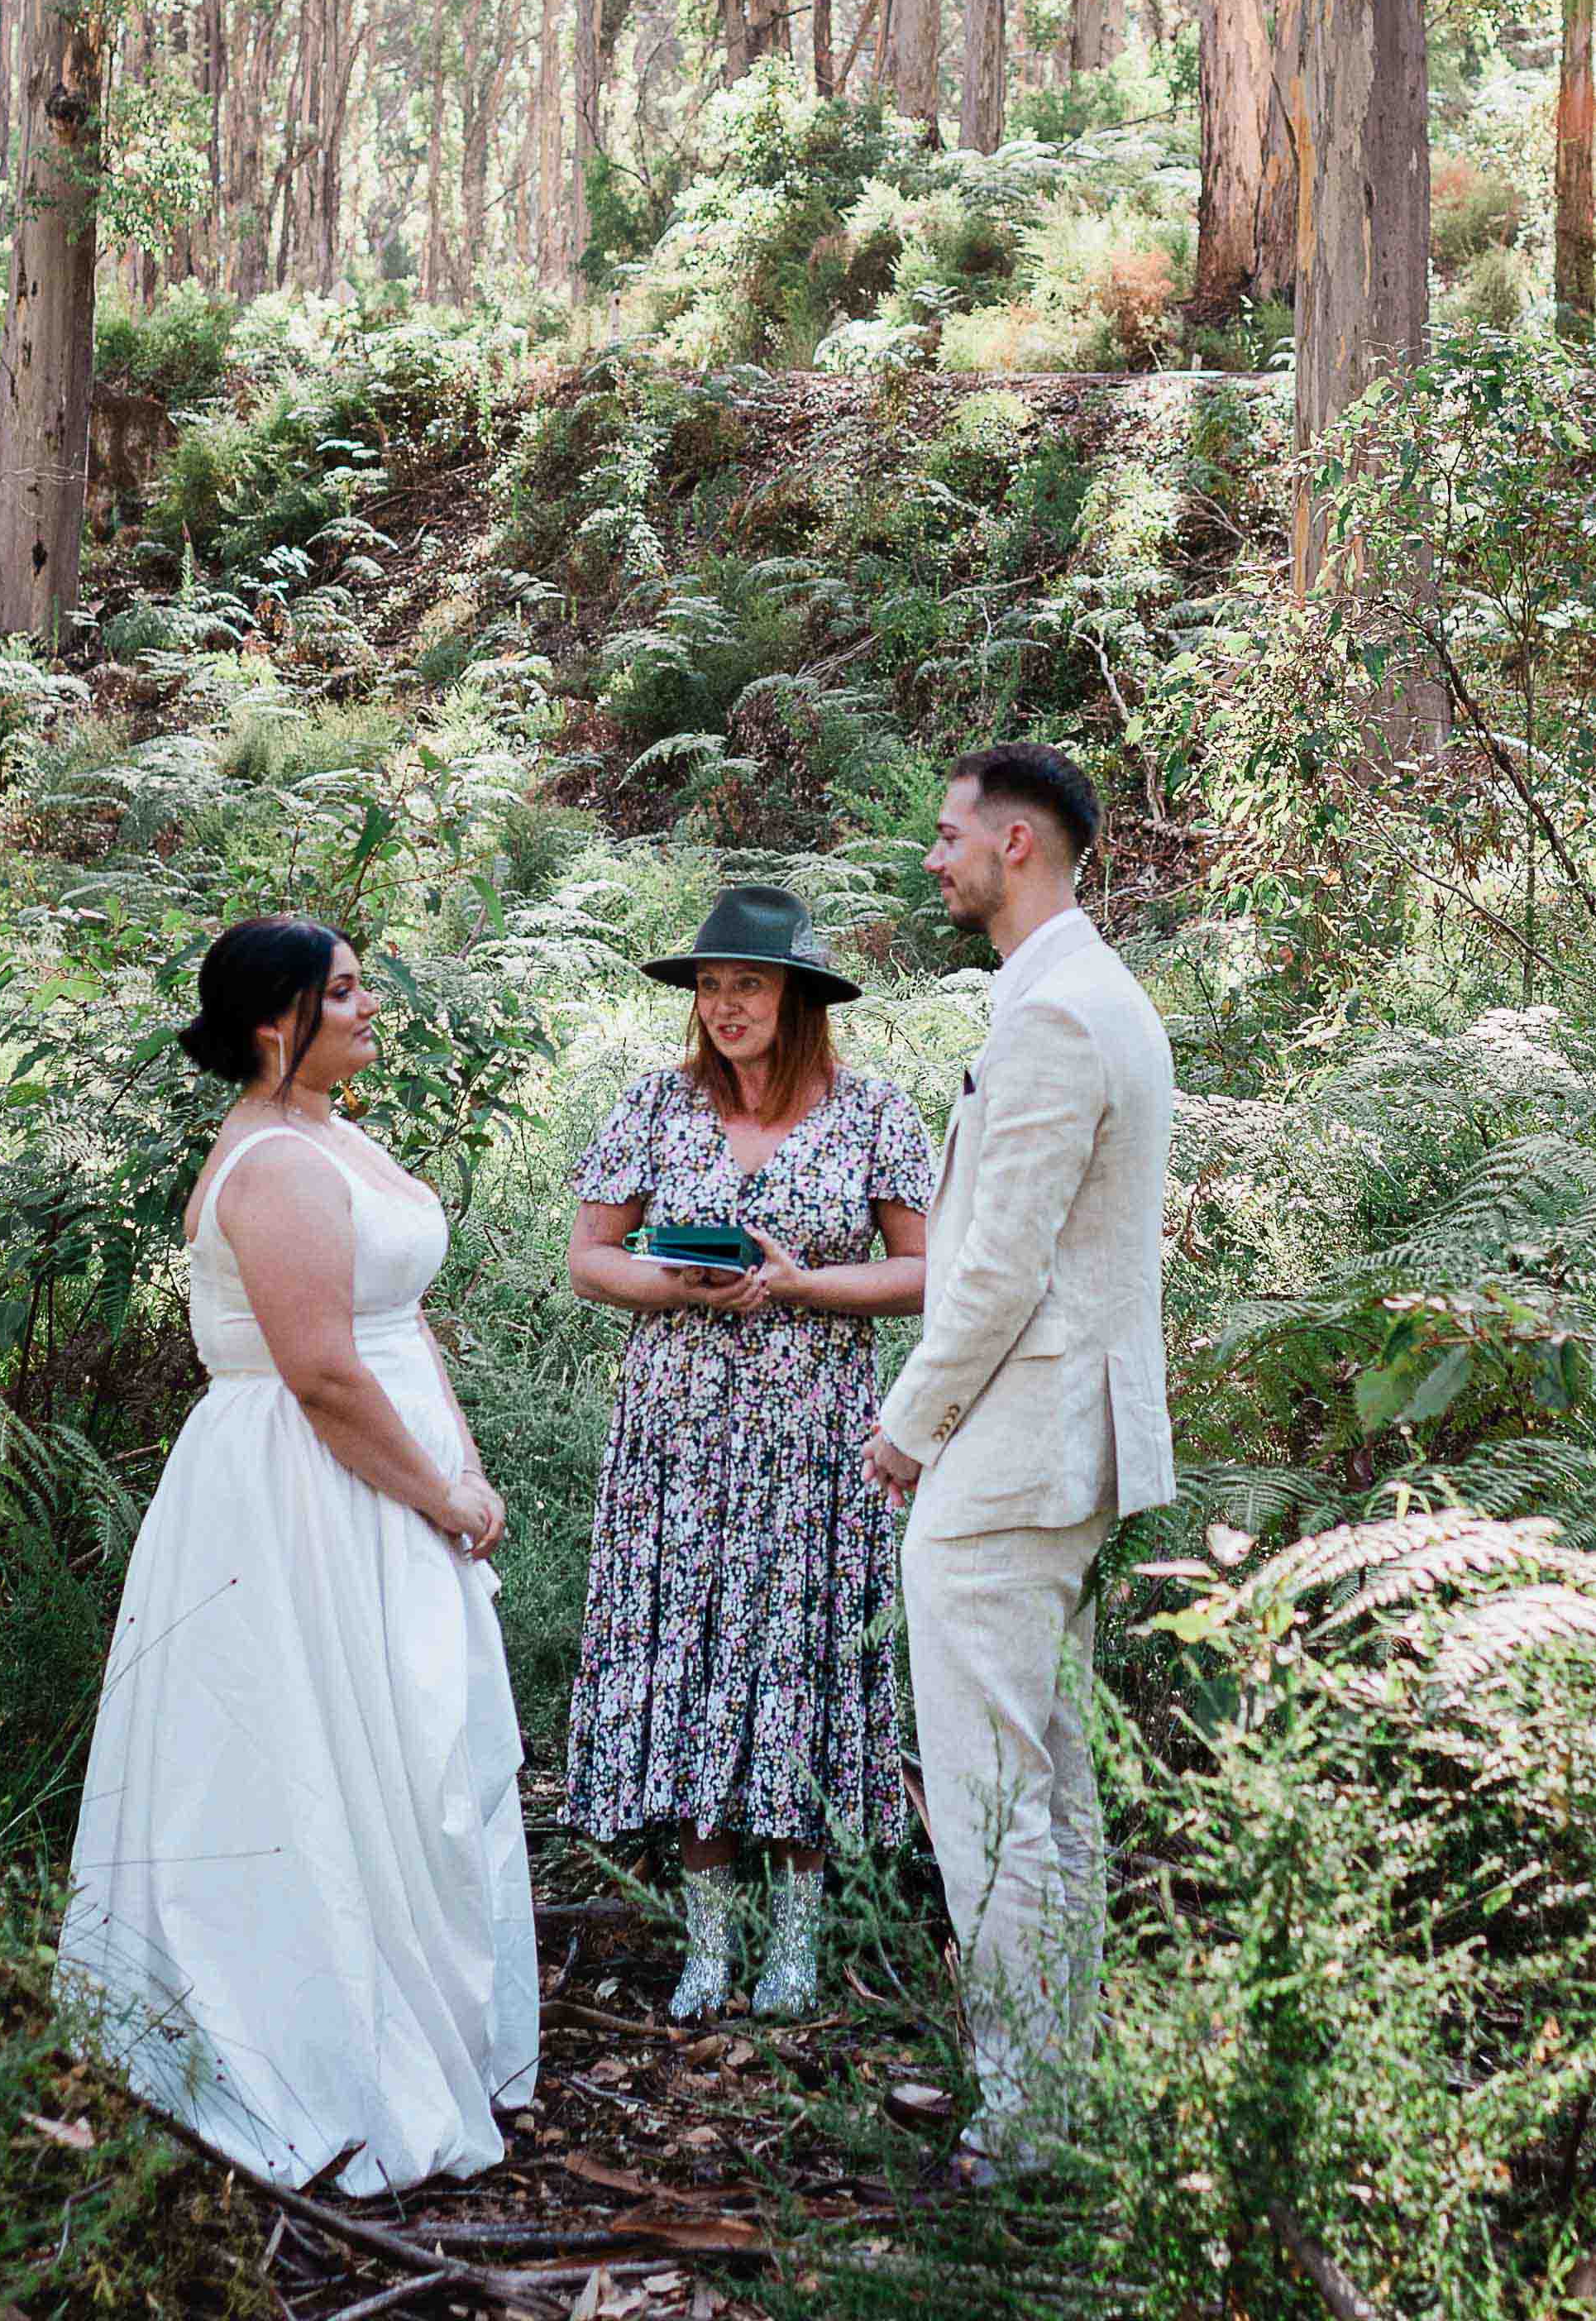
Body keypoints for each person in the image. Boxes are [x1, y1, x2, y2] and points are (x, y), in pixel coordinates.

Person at [62, 920, 538, 2193]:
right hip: (305, 1494)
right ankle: (319, 2056)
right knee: (310, 1756)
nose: (371, 1002)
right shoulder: (270, 1162)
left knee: (416, 1748)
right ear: (279, 1023)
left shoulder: (337, 1131)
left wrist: (470, 1465)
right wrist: (436, 1490)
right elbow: (322, 1373)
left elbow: (404, 1324)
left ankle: (436, 2014)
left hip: (395, 1475)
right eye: (344, 990)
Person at [865, 742, 1173, 2175]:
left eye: (951, 837)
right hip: (1067, 1443)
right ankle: (1053, 2082)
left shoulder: (1057, 1013)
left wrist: (907, 1425)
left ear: (1019, 847)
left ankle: (1031, 2121)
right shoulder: (1086, 992)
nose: (936, 858)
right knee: (1051, 1777)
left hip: (1013, 1449)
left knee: (993, 1791)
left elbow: (996, 1270)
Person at [558, 882, 937, 2021]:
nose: (726, 1006)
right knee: (697, 1666)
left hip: (816, 1439)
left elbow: (928, 1273)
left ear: (798, 996)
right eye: (711, 986)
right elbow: (588, 1258)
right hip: (677, 1445)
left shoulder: (874, 1114)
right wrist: (677, 1285)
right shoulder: (655, 1107)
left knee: (799, 1664)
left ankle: (801, 1944)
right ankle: (711, 1945)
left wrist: (800, 1283)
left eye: (749, 984)